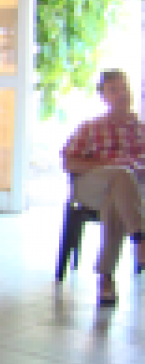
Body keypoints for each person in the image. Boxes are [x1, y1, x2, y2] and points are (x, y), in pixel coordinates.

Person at [62, 68, 145, 305]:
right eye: (113, 90)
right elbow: (69, 162)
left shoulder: (142, 129)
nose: (121, 94)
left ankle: (106, 278)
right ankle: (140, 239)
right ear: (104, 96)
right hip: (92, 185)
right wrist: (107, 163)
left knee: (116, 197)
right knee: (119, 175)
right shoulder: (90, 127)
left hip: (132, 191)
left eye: (124, 88)